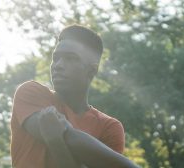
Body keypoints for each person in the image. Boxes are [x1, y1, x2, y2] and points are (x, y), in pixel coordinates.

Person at [10, 25, 138, 168]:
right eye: (56, 58)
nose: (58, 65)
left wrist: (55, 142)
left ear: (91, 71)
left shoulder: (109, 127)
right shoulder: (30, 92)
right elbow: (68, 138)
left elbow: (58, 135)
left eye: (70, 59)